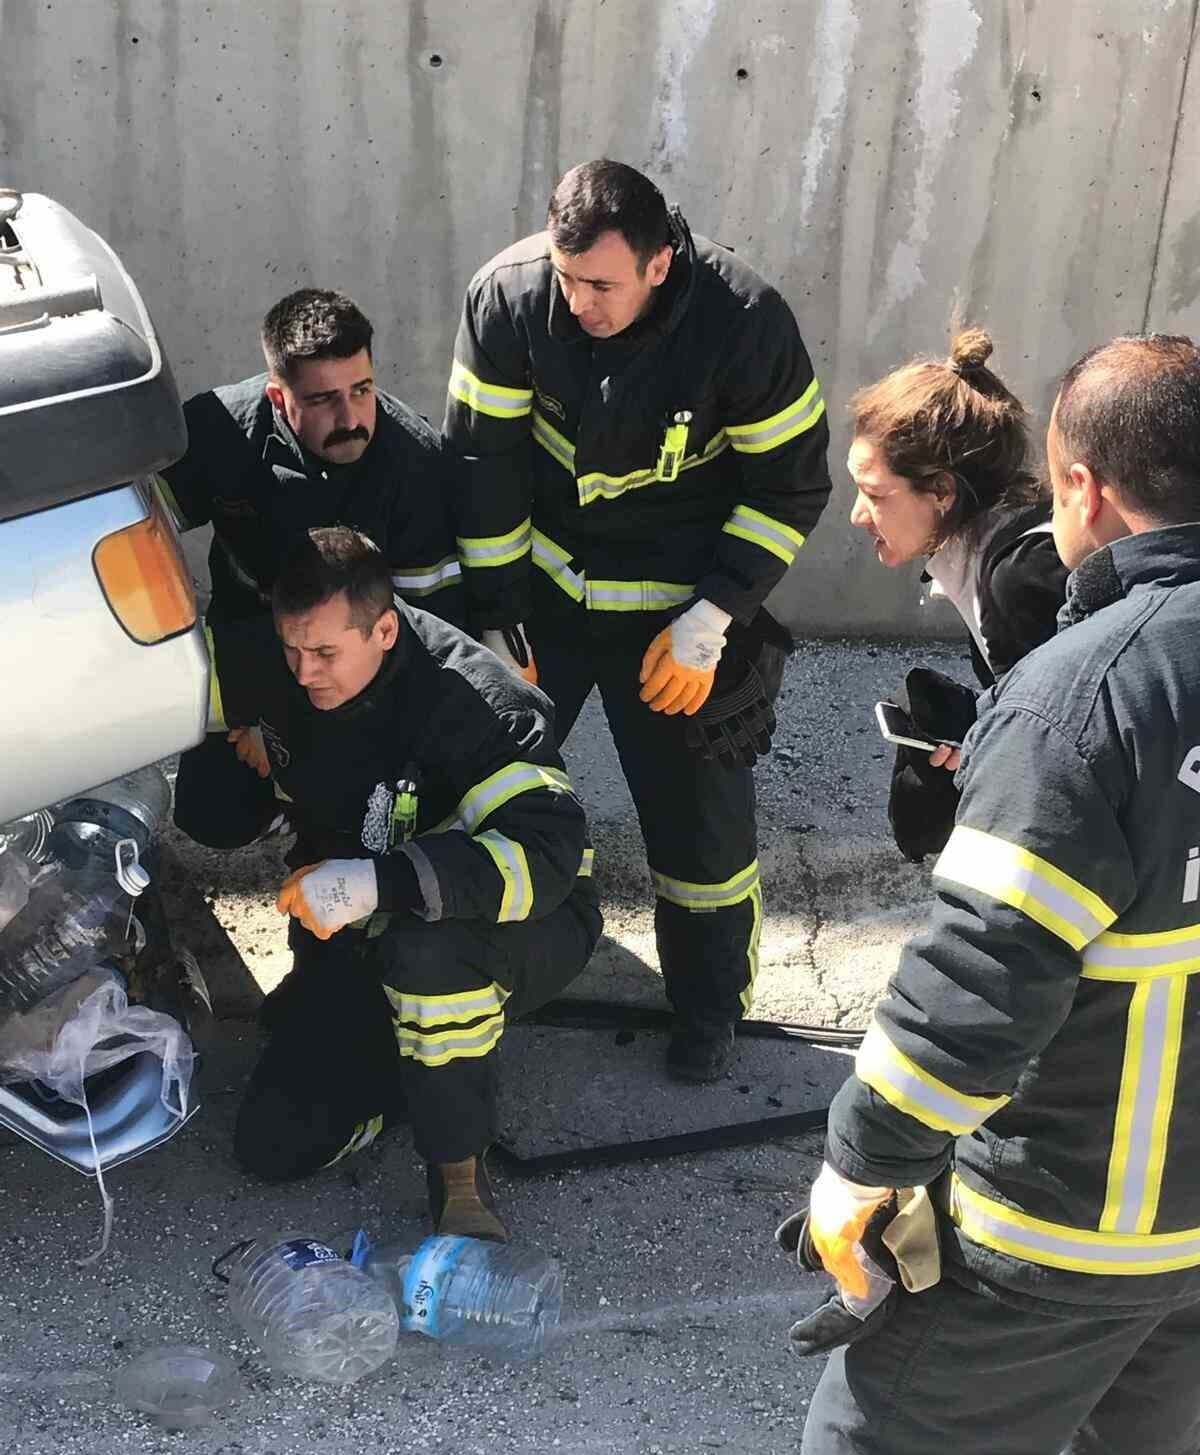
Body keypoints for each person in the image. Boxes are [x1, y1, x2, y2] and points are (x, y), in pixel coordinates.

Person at [788, 333, 1200, 1455]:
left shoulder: (1088, 693)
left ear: (1083, 486)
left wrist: (863, 1163)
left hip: (1060, 1229)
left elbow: (976, 982)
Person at [443, 158, 831, 1083]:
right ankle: (470, 974)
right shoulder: (508, 298)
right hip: (546, 603)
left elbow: (790, 487)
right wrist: (496, 617)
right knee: (480, 782)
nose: (579, 303)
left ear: (661, 263)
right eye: (567, 277)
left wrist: (715, 617)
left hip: (678, 616)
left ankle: (709, 1008)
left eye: (602, 285)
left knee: (702, 832)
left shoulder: (745, 322)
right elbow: (482, 466)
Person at [186, 527, 601, 1242]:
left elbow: (544, 856)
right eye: (291, 650)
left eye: (324, 655)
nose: (304, 673)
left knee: (426, 959)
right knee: (273, 1147)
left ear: (383, 630)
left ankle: (459, 1177)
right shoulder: (290, 658)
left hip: (518, 916)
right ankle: (402, 1068)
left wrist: (376, 884)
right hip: (366, 916)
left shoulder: (476, 704)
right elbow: (170, 707)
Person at [168, 288, 464, 847]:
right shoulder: (218, 430)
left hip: (358, 674)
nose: (350, 418)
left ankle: (321, 814)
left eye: (362, 390)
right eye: (324, 399)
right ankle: (285, 807)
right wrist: (257, 708)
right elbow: (137, 533)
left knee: (367, 828)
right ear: (277, 399)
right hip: (250, 648)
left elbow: (429, 634)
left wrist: (289, 726)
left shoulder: (415, 465)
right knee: (210, 815)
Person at [847, 327, 1067, 860]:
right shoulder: (1001, 548)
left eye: (874, 494)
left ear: (942, 491)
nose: (857, 515)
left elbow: (1067, 753)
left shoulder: (1022, 580)